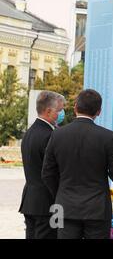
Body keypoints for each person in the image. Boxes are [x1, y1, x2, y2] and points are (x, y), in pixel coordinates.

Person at [42, 89, 113, 239]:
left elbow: (47, 173)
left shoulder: (57, 134)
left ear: (75, 107)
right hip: (97, 210)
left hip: (65, 208)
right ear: (99, 111)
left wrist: (61, 192)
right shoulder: (107, 137)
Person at [19, 91, 66, 239]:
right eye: (60, 110)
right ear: (48, 111)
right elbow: (52, 172)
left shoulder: (29, 132)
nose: (61, 113)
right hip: (48, 203)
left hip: (30, 200)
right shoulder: (50, 135)